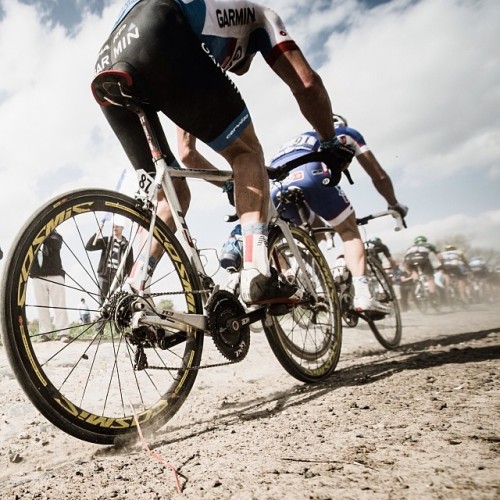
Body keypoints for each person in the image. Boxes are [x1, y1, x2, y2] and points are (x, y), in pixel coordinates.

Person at [94, 0, 354, 306]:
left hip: (107, 59)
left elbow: (187, 153)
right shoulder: (260, 16)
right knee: (246, 152)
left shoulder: (203, 46)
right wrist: (328, 141)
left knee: (172, 195)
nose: (244, 65)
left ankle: (134, 287)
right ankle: (257, 271)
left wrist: (232, 185)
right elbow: (307, 83)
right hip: (160, 23)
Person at [220, 114, 408, 313]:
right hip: (312, 174)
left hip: (276, 185)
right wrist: (394, 203)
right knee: (349, 231)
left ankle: (306, 278)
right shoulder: (344, 133)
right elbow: (377, 174)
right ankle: (363, 295)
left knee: (315, 230)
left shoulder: (296, 141)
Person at [29, 230, 71, 342]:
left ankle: (63, 332)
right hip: (38, 276)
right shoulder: (30, 237)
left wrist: (41, 234)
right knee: (41, 306)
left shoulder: (56, 236)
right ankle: (45, 333)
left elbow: (55, 245)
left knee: (59, 305)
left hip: (55, 275)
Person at [85, 218, 134, 305]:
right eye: (113, 226)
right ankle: (102, 317)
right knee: (102, 301)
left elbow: (130, 265)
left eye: (117, 226)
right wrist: (98, 231)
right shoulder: (107, 240)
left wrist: (126, 279)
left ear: (122, 228)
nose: (115, 228)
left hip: (117, 276)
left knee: (115, 301)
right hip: (104, 275)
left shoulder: (126, 245)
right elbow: (89, 247)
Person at [404, 236, 441, 301]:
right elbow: (440, 256)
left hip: (410, 260)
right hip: (422, 259)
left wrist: (409, 271)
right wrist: (441, 264)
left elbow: (405, 261)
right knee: (430, 278)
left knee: (413, 271)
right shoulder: (429, 245)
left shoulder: (410, 247)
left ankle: (416, 284)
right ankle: (432, 293)